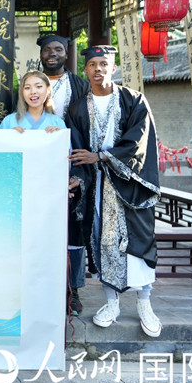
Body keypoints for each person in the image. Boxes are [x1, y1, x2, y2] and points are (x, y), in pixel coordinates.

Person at [68, 46, 162, 338]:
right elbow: (76, 148)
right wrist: (76, 177)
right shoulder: (78, 107)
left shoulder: (134, 100)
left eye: (104, 64)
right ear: (85, 70)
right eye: (92, 64)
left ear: (114, 68)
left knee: (139, 241)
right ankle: (112, 303)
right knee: (103, 241)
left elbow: (140, 142)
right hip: (97, 186)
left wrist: (103, 157)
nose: (98, 69)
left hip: (131, 185)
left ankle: (145, 302)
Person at [38, 34, 92, 316]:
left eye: (58, 49)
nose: (52, 54)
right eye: (47, 49)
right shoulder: (33, 82)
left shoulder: (81, 86)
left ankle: (74, 290)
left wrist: (82, 170)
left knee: (73, 229)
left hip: (72, 162)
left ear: (66, 52)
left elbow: (87, 130)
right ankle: (40, 287)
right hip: (38, 169)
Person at [0, 70, 66, 132]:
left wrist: (58, 136)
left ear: (48, 89)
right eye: (27, 88)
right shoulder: (9, 121)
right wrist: (8, 136)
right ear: (22, 92)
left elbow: (65, 144)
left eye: (39, 86)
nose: (33, 92)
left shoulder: (57, 122)